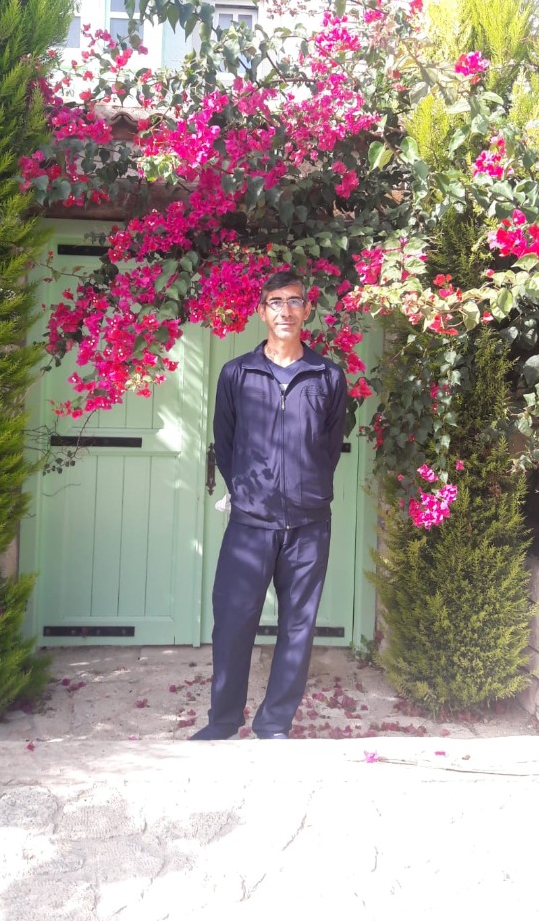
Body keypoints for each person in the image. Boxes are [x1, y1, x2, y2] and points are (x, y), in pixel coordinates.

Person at [190, 268, 347, 740]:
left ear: (307, 310)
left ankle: (275, 722)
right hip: (250, 524)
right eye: (275, 302)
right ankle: (223, 720)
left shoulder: (327, 376)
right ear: (262, 312)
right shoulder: (237, 374)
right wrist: (247, 491)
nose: (285, 311)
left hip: (308, 524)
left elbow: (329, 447)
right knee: (232, 622)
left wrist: (306, 488)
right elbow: (225, 441)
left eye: (294, 301)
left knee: (298, 626)